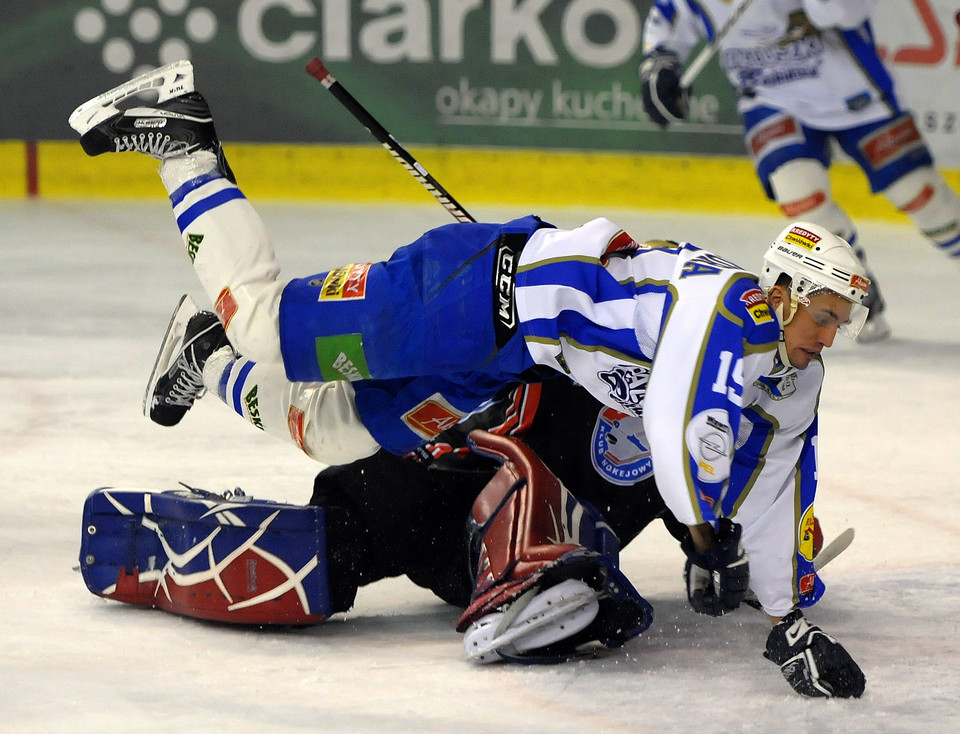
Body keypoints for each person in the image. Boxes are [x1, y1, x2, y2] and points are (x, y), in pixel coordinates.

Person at [70, 60, 868, 696]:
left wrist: (784, 620)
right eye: (824, 314)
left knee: (331, 429)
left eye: (842, 322)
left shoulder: (784, 372)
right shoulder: (728, 311)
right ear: (783, 289)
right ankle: (183, 139)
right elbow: (680, 425)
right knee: (267, 325)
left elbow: (773, 481)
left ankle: (203, 352)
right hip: (481, 295)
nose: (829, 336)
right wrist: (704, 534)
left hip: (512, 356)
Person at [639, 0, 960, 343]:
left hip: (854, 90)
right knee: (801, 194)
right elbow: (669, 24)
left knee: (922, 195)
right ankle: (855, 291)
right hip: (769, 97)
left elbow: (845, 12)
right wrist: (660, 67)